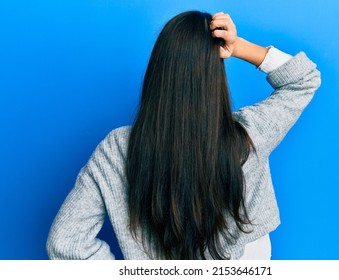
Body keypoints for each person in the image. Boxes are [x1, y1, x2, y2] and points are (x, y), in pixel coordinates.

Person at [46, 11, 321, 260]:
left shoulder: (117, 149)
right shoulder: (247, 135)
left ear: (158, 71)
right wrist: (238, 48)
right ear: (215, 78)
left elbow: (65, 242)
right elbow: (304, 79)